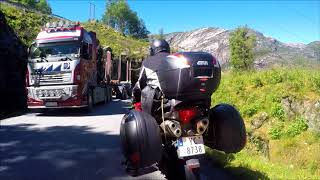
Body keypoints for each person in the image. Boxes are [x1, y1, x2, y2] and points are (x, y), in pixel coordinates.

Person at [132, 39, 170, 112]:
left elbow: (140, 84)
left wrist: (135, 98)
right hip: (179, 99)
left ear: (153, 50)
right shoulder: (176, 58)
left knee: (146, 118)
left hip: (158, 101)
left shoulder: (147, 62)